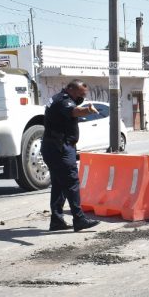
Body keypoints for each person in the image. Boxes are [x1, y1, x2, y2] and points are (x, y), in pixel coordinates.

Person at [41, 79, 101, 232]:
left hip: (53, 147)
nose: (81, 97)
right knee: (71, 182)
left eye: (84, 94)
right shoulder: (63, 100)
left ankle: (56, 221)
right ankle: (79, 219)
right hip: (60, 148)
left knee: (59, 185)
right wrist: (88, 110)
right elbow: (74, 112)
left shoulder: (57, 98)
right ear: (70, 89)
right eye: (80, 94)